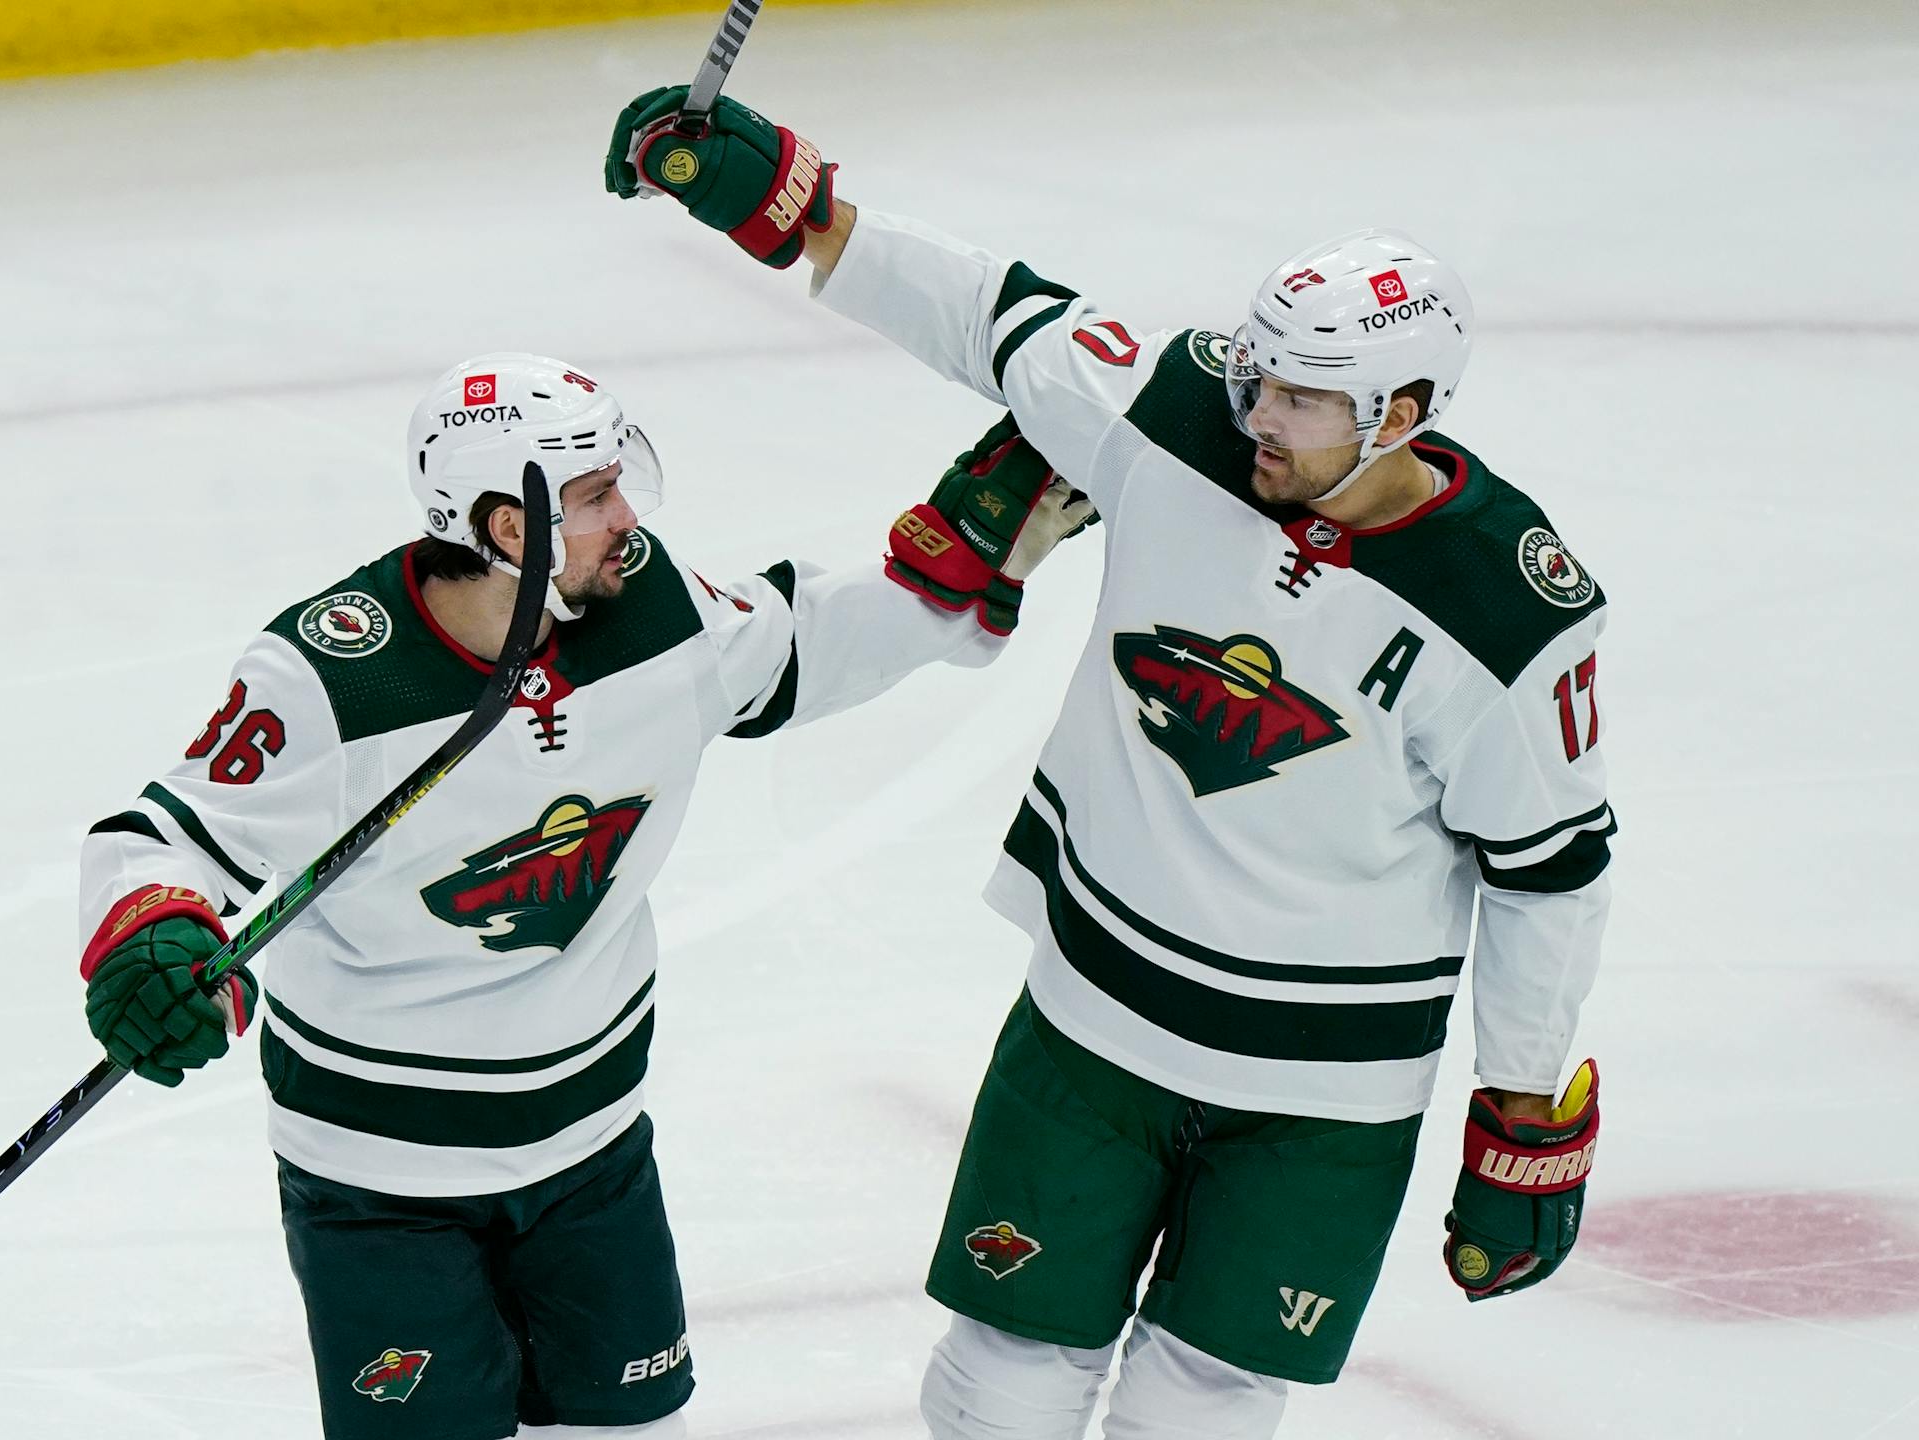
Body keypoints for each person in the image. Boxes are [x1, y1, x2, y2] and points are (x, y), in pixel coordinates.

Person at [605, 92, 1612, 1440]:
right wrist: (802, 214)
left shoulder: (1506, 614)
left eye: (1306, 399)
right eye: (1258, 376)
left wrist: (1522, 1103)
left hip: (1326, 1087)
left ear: (1406, 412)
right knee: (1000, 1380)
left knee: (1204, 1405)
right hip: (1096, 1021)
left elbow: (1548, 874)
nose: (1261, 415)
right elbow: (993, 316)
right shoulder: (1182, 414)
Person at [74, 352, 1093, 1440]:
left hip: (590, 1153)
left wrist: (960, 563)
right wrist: (153, 937)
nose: (628, 517)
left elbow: (804, 642)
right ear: (512, 528)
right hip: (382, 1178)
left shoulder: (654, 606)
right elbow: (165, 838)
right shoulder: (334, 675)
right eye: (598, 494)